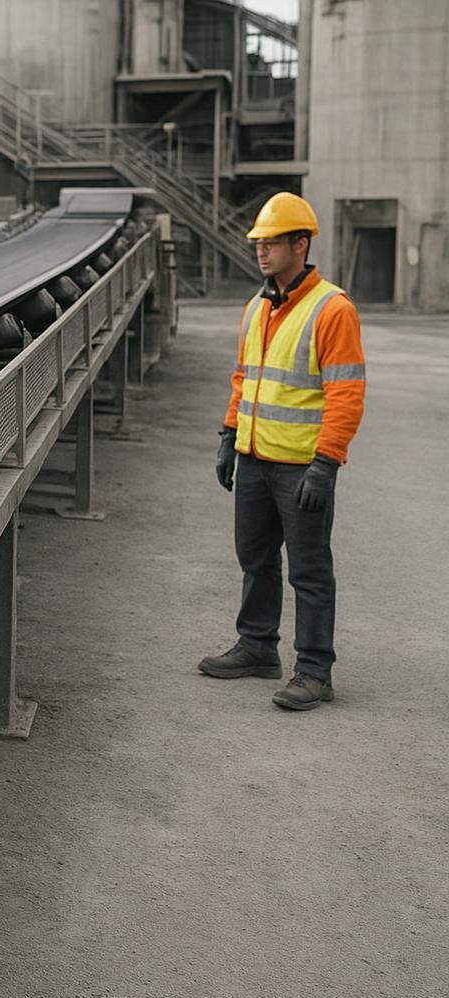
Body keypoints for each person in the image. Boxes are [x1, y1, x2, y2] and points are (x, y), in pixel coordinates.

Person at [197, 192, 366, 710]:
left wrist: (326, 464)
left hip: (301, 469)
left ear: (302, 243)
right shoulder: (258, 306)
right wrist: (229, 436)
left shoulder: (331, 309)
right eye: (258, 243)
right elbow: (244, 377)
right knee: (256, 559)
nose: (261, 252)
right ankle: (257, 646)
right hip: (254, 458)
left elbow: (346, 392)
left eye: (271, 243)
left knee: (309, 570)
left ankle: (315, 672)